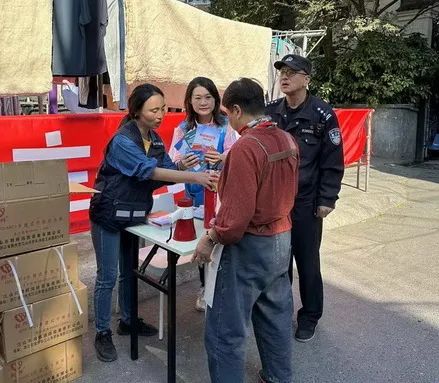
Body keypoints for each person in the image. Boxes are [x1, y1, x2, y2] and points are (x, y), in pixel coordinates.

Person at [89, 84, 218, 362]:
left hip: (134, 215)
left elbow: (161, 175)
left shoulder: (156, 140)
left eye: (163, 109)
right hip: (109, 214)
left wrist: (182, 166)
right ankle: (102, 332)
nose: (160, 114)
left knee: (128, 272)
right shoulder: (123, 141)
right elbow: (146, 171)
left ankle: (127, 320)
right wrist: (195, 177)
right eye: (154, 110)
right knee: (107, 276)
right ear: (137, 111)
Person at [193, 78, 299, 383]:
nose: (228, 120)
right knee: (276, 317)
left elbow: (235, 219)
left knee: (225, 330)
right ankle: (279, 377)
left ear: (237, 110)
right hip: (281, 240)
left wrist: (210, 238)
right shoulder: (287, 139)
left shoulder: (245, 148)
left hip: (249, 246)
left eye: (228, 113)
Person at [266, 54, 344, 342]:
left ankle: (309, 316)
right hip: (275, 203)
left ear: (306, 79)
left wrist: (327, 199)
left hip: (306, 202)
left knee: (308, 262)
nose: (284, 77)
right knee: (278, 261)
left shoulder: (323, 115)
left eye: (292, 72)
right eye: (282, 72)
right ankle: (280, 311)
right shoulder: (271, 112)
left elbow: (333, 161)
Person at [169, 77, 238, 312]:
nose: (203, 102)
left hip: (221, 192)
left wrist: (222, 158)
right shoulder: (183, 129)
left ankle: (222, 288)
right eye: (197, 97)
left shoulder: (227, 126)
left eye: (208, 97)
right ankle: (204, 286)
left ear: (216, 100)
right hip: (195, 192)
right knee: (203, 239)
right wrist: (182, 163)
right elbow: (172, 160)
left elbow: (240, 155)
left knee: (221, 238)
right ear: (189, 101)